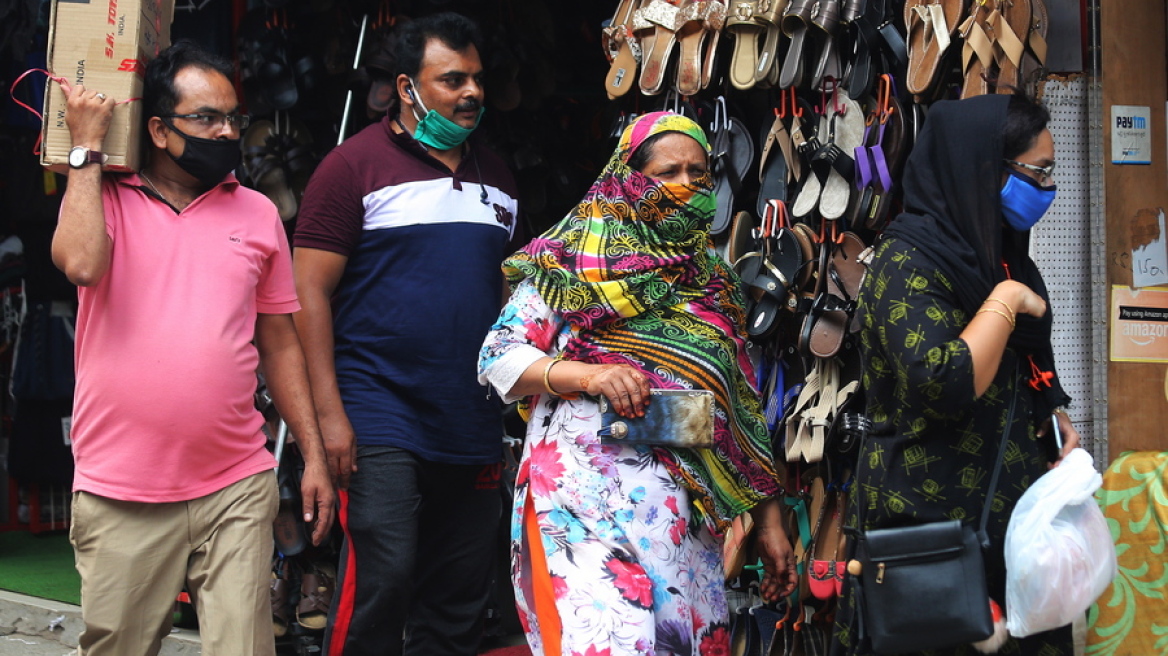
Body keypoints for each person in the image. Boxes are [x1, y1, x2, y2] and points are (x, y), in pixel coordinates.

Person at [53, 40, 335, 656]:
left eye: (233, 117)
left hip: (235, 479)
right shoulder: (101, 199)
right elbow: (78, 264)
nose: (228, 131)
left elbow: (280, 342)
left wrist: (311, 453)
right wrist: (85, 151)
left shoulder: (259, 213)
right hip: (120, 489)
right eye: (206, 118)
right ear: (157, 128)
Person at [478, 111, 796, 655]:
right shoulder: (570, 263)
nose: (686, 186)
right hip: (580, 499)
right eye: (668, 171)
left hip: (680, 514)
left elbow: (739, 406)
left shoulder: (713, 284)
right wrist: (589, 375)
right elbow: (499, 358)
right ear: (628, 176)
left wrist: (768, 518)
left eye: (699, 175)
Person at [292, 12, 520, 656]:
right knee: (383, 581)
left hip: (471, 418)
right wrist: (329, 417)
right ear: (406, 87)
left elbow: (506, 296)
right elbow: (305, 293)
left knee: (457, 599)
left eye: (476, 79)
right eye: (452, 79)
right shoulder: (352, 168)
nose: (472, 92)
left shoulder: (498, 178)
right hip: (379, 412)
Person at [831, 93, 1081, 656]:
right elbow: (944, 382)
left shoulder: (1000, 252)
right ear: (982, 171)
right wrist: (1005, 301)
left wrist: (1053, 411)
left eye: (1050, 171)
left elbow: (1027, 363)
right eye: (1036, 172)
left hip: (1008, 524)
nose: (1047, 187)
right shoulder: (908, 263)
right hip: (928, 526)